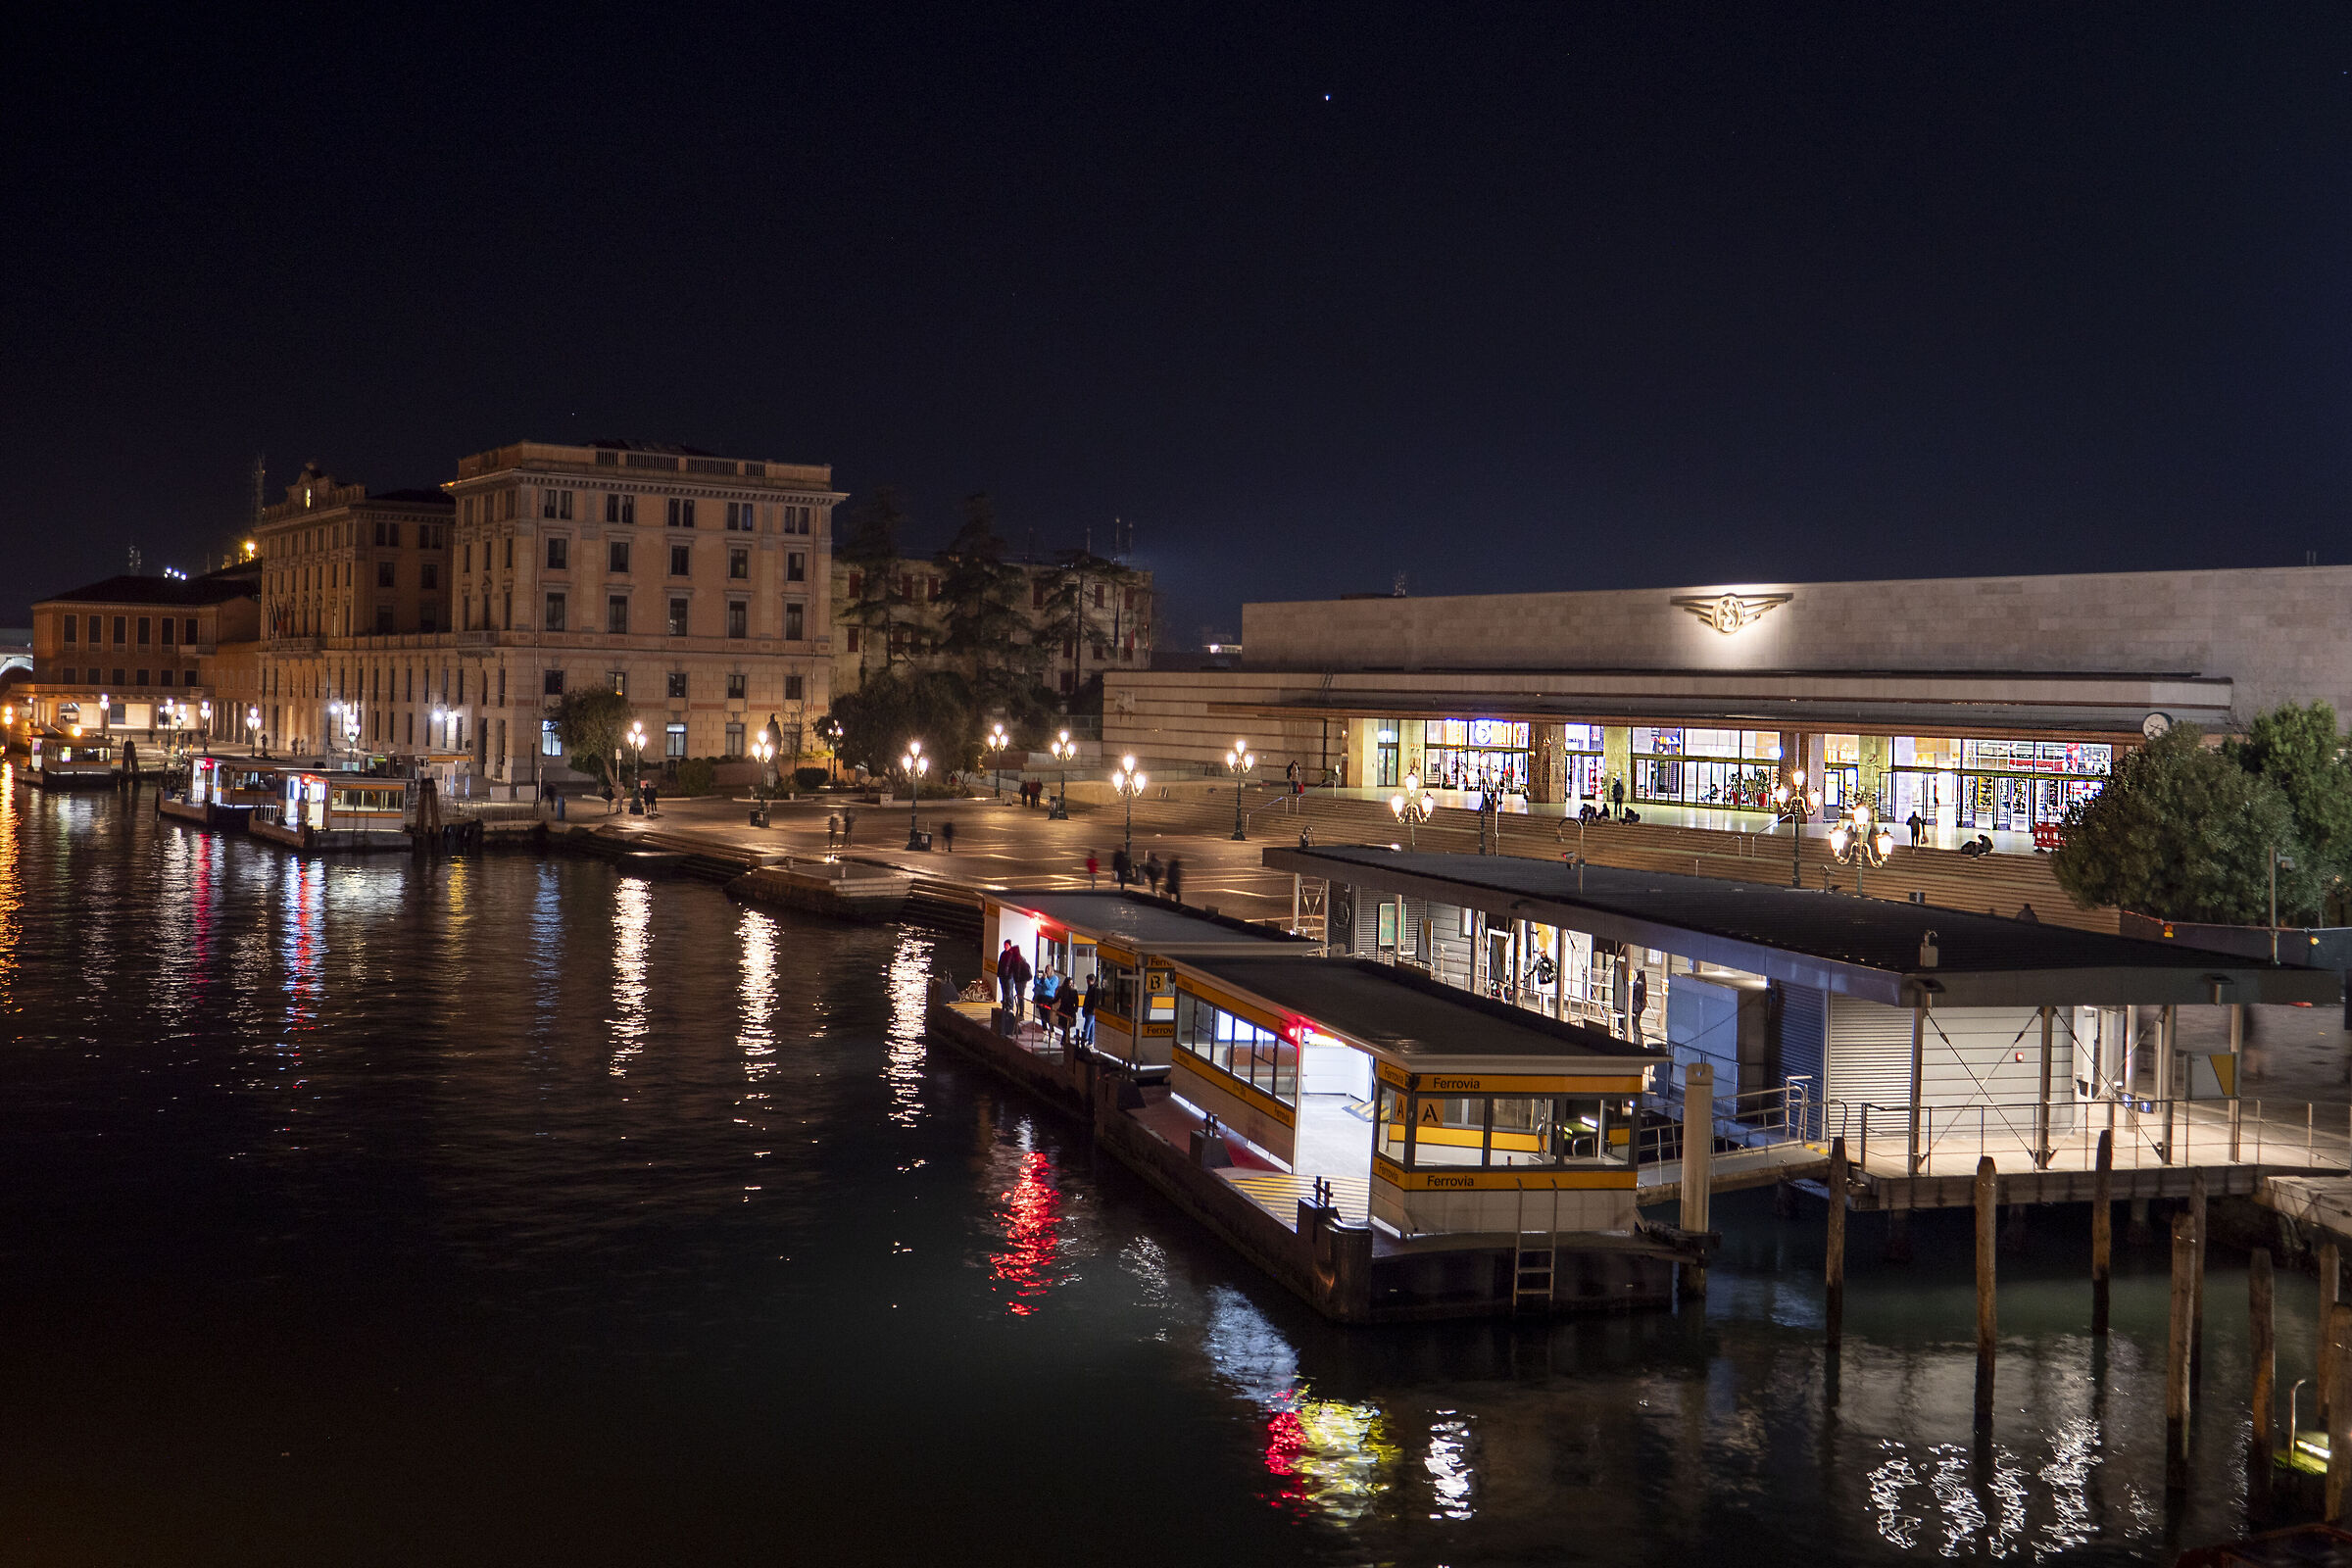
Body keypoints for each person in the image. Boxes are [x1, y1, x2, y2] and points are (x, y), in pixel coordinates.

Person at [1008, 943, 1032, 1019]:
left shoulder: (1017, 961)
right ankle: (1020, 1012)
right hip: (1022, 981)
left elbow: (1017, 972)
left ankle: (1021, 1013)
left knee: (1020, 997)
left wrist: (1016, 979)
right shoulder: (1021, 959)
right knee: (1020, 997)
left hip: (1020, 981)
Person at [997, 940, 1018, 1009]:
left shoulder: (1012, 954)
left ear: (1009, 945)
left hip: (1009, 977)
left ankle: (1010, 1006)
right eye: (1004, 945)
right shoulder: (1003, 954)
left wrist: (1011, 974)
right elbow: (1000, 964)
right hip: (1002, 976)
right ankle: (1005, 1005)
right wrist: (998, 973)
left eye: (1006, 945)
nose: (1005, 946)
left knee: (1009, 992)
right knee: (1004, 992)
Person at [1630, 968, 1648, 1043]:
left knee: (1635, 1026)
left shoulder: (1638, 984)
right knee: (1637, 1024)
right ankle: (1639, 1040)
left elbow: (1631, 988)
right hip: (1639, 1007)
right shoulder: (1643, 984)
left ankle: (1637, 1041)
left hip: (1636, 1007)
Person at [1081, 975, 1100, 1045]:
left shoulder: (1093, 989)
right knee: (1091, 1027)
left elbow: (1090, 1000)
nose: (1087, 982)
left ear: (1092, 981)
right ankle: (1090, 1042)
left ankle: (1084, 1041)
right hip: (1089, 1011)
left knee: (1087, 1027)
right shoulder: (1091, 988)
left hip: (1090, 1011)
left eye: (1088, 981)